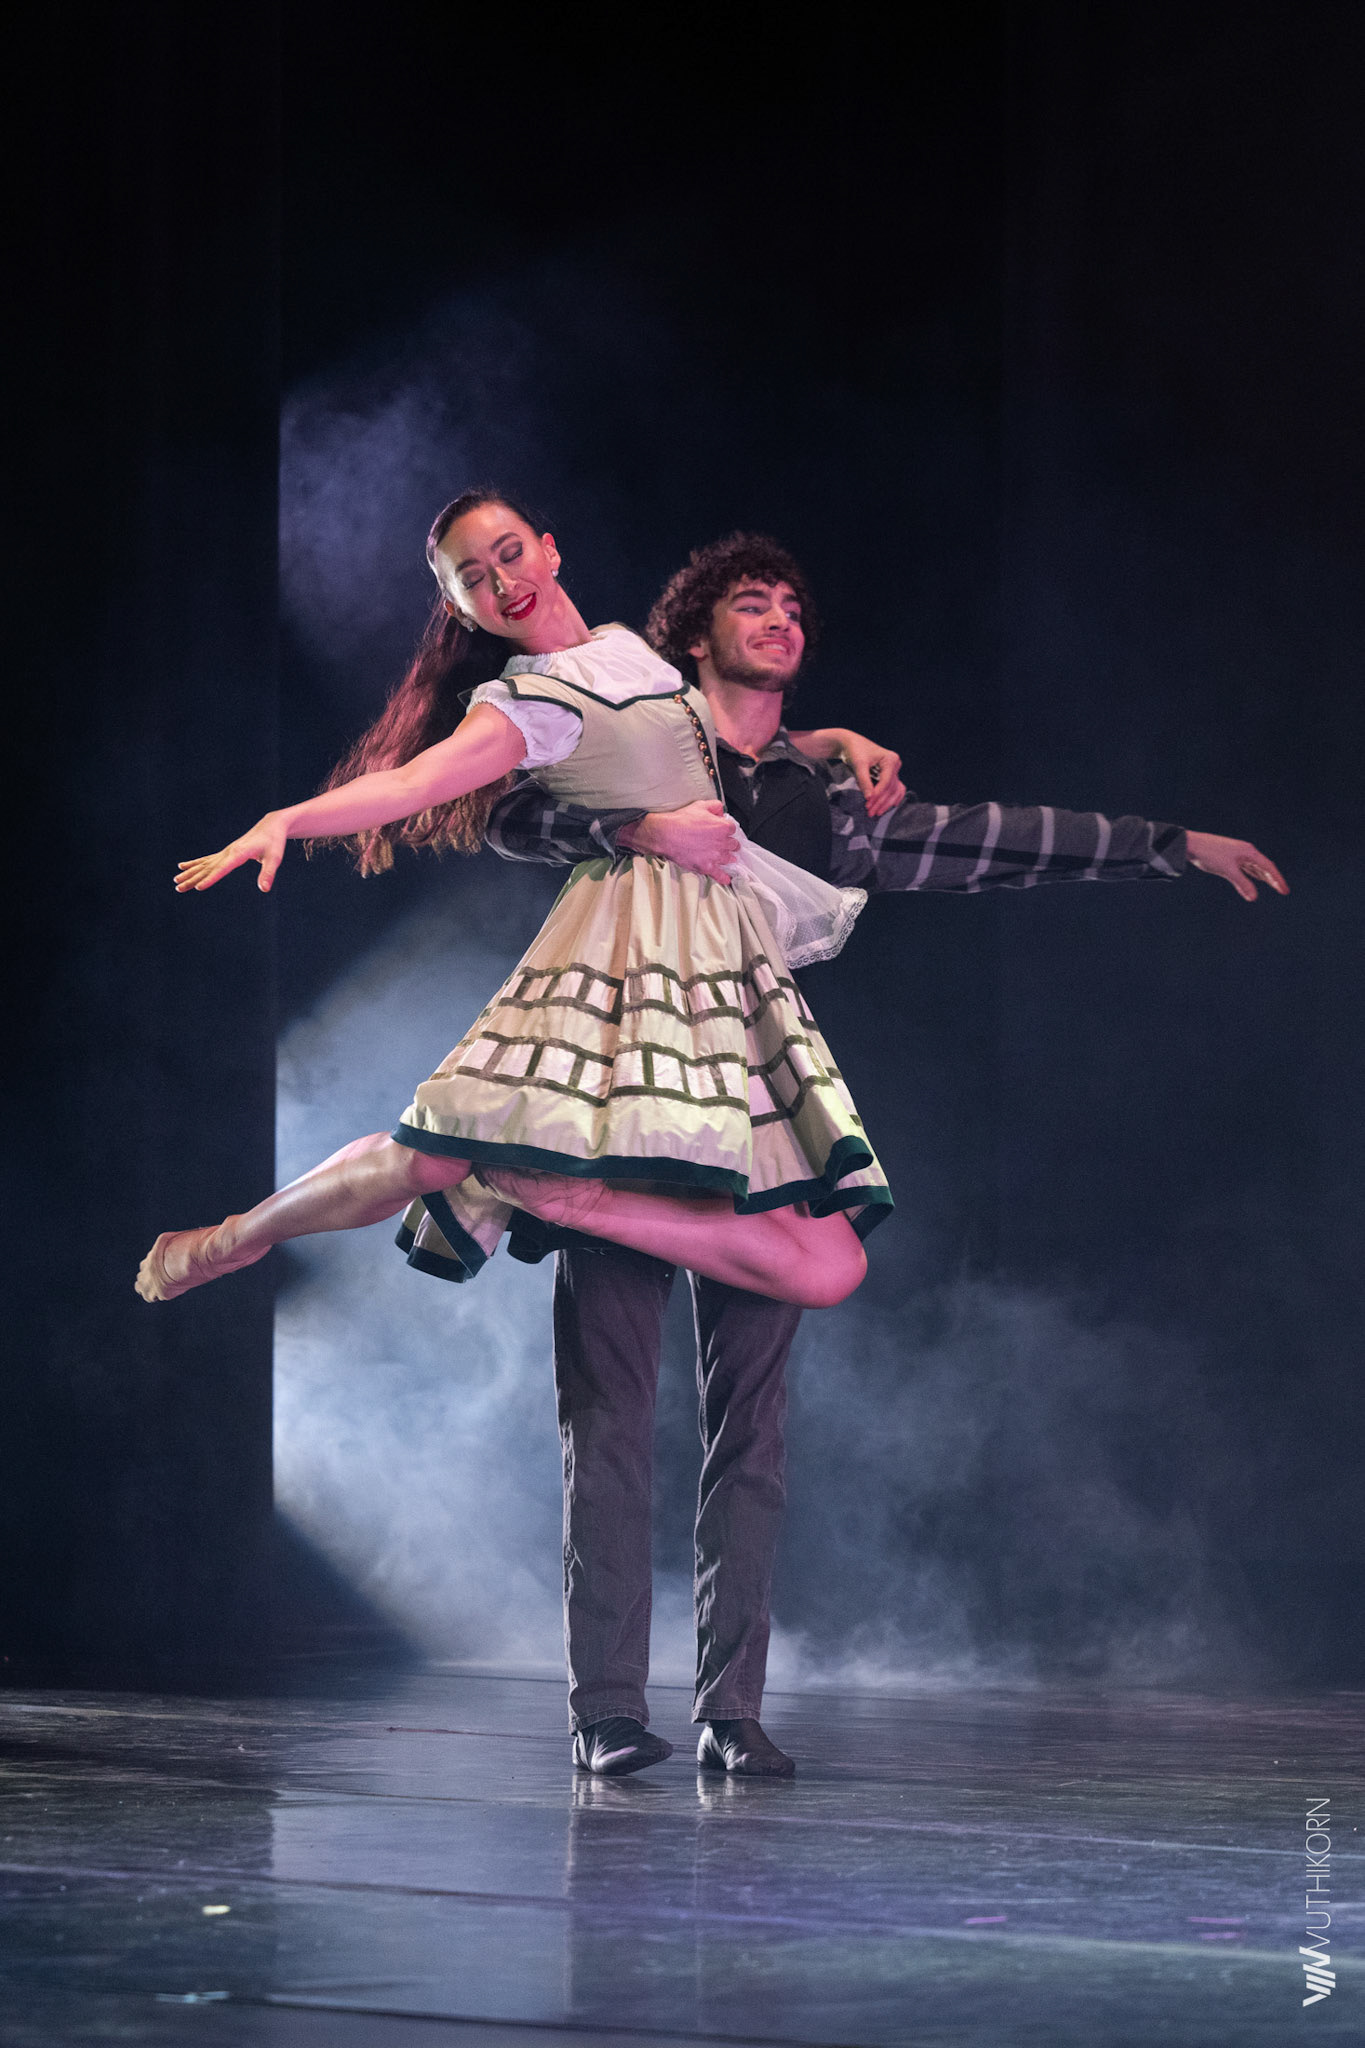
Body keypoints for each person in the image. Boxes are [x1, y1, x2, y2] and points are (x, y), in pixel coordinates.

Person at [480, 530, 1288, 1778]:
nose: (780, 618)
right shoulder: (639, 731)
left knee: (754, 1423)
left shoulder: (826, 799)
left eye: (793, 606)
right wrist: (640, 826)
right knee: (610, 1409)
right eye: (752, 603)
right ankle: (605, 1709)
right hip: (627, 1087)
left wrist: (1169, 843)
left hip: (755, 1103)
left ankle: (731, 1706)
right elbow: (513, 809)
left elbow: (988, 840)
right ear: (693, 631)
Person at [137, 490, 894, 1336]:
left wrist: (834, 743)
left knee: (831, 1264)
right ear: (458, 606)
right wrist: (287, 819)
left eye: (509, 554)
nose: (501, 582)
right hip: (627, 943)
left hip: (715, 947)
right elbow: (413, 782)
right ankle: (234, 1239)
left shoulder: (625, 648)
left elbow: (707, 742)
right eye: (471, 577)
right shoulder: (526, 701)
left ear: (549, 549)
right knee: (431, 1153)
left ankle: (567, 1196)